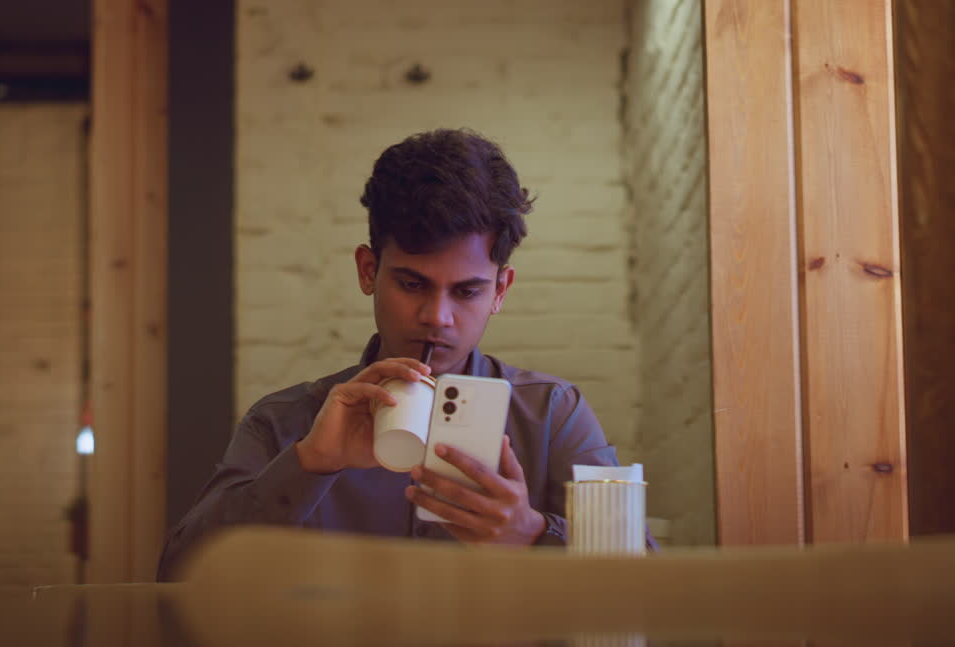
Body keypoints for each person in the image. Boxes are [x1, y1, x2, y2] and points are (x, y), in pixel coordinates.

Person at [158, 129, 640, 581]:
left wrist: (532, 535)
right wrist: (309, 464)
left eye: (467, 292)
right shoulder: (285, 423)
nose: (437, 317)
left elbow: (646, 576)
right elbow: (179, 577)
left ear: (500, 290)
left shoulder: (552, 414)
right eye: (412, 284)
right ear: (368, 271)